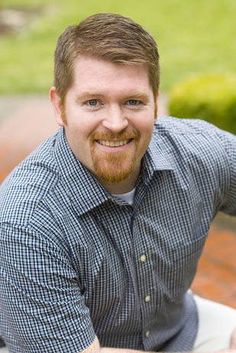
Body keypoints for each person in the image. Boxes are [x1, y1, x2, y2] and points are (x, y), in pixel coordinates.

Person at [0, 12, 235, 353]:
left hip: (181, 328)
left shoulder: (199, 153)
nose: (115, 122)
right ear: (59, 106)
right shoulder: (24, 220)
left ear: (155, 101)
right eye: (93, 102)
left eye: (133, 101)